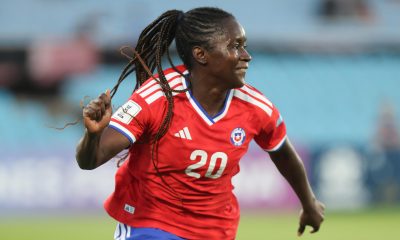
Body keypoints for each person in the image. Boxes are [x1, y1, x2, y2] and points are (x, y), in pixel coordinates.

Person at [76, 7, 325, 240]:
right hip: (150, 223)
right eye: (235, 46)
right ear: (201, 54)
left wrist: (309, 202)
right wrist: (93, 136)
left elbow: (282, 153)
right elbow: (90, 160)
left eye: (244, 46)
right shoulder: (157, 97)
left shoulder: (256, 107)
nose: (246, 56)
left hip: (216, 230)